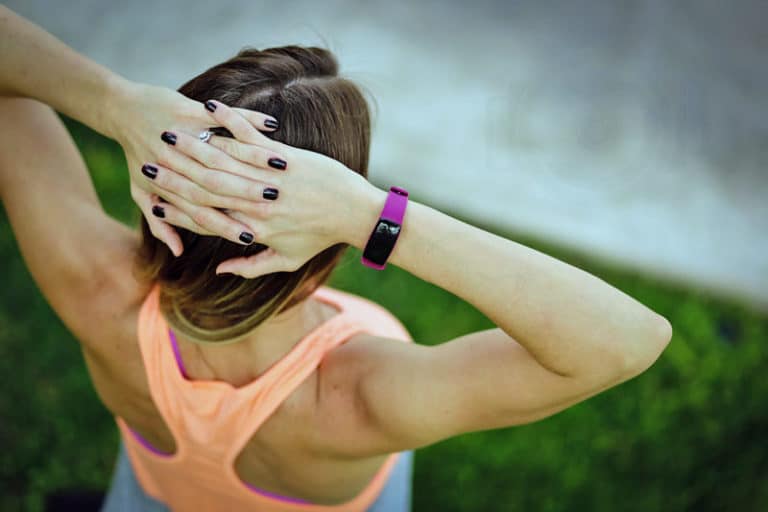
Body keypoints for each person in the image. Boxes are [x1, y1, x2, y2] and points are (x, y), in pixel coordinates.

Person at [0, 6, 673, 512]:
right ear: (319, 258)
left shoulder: (93, 289)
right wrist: (371, 215)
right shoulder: (355, 398)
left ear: (155, 195)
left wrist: (113, 103)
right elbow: (623, 342)